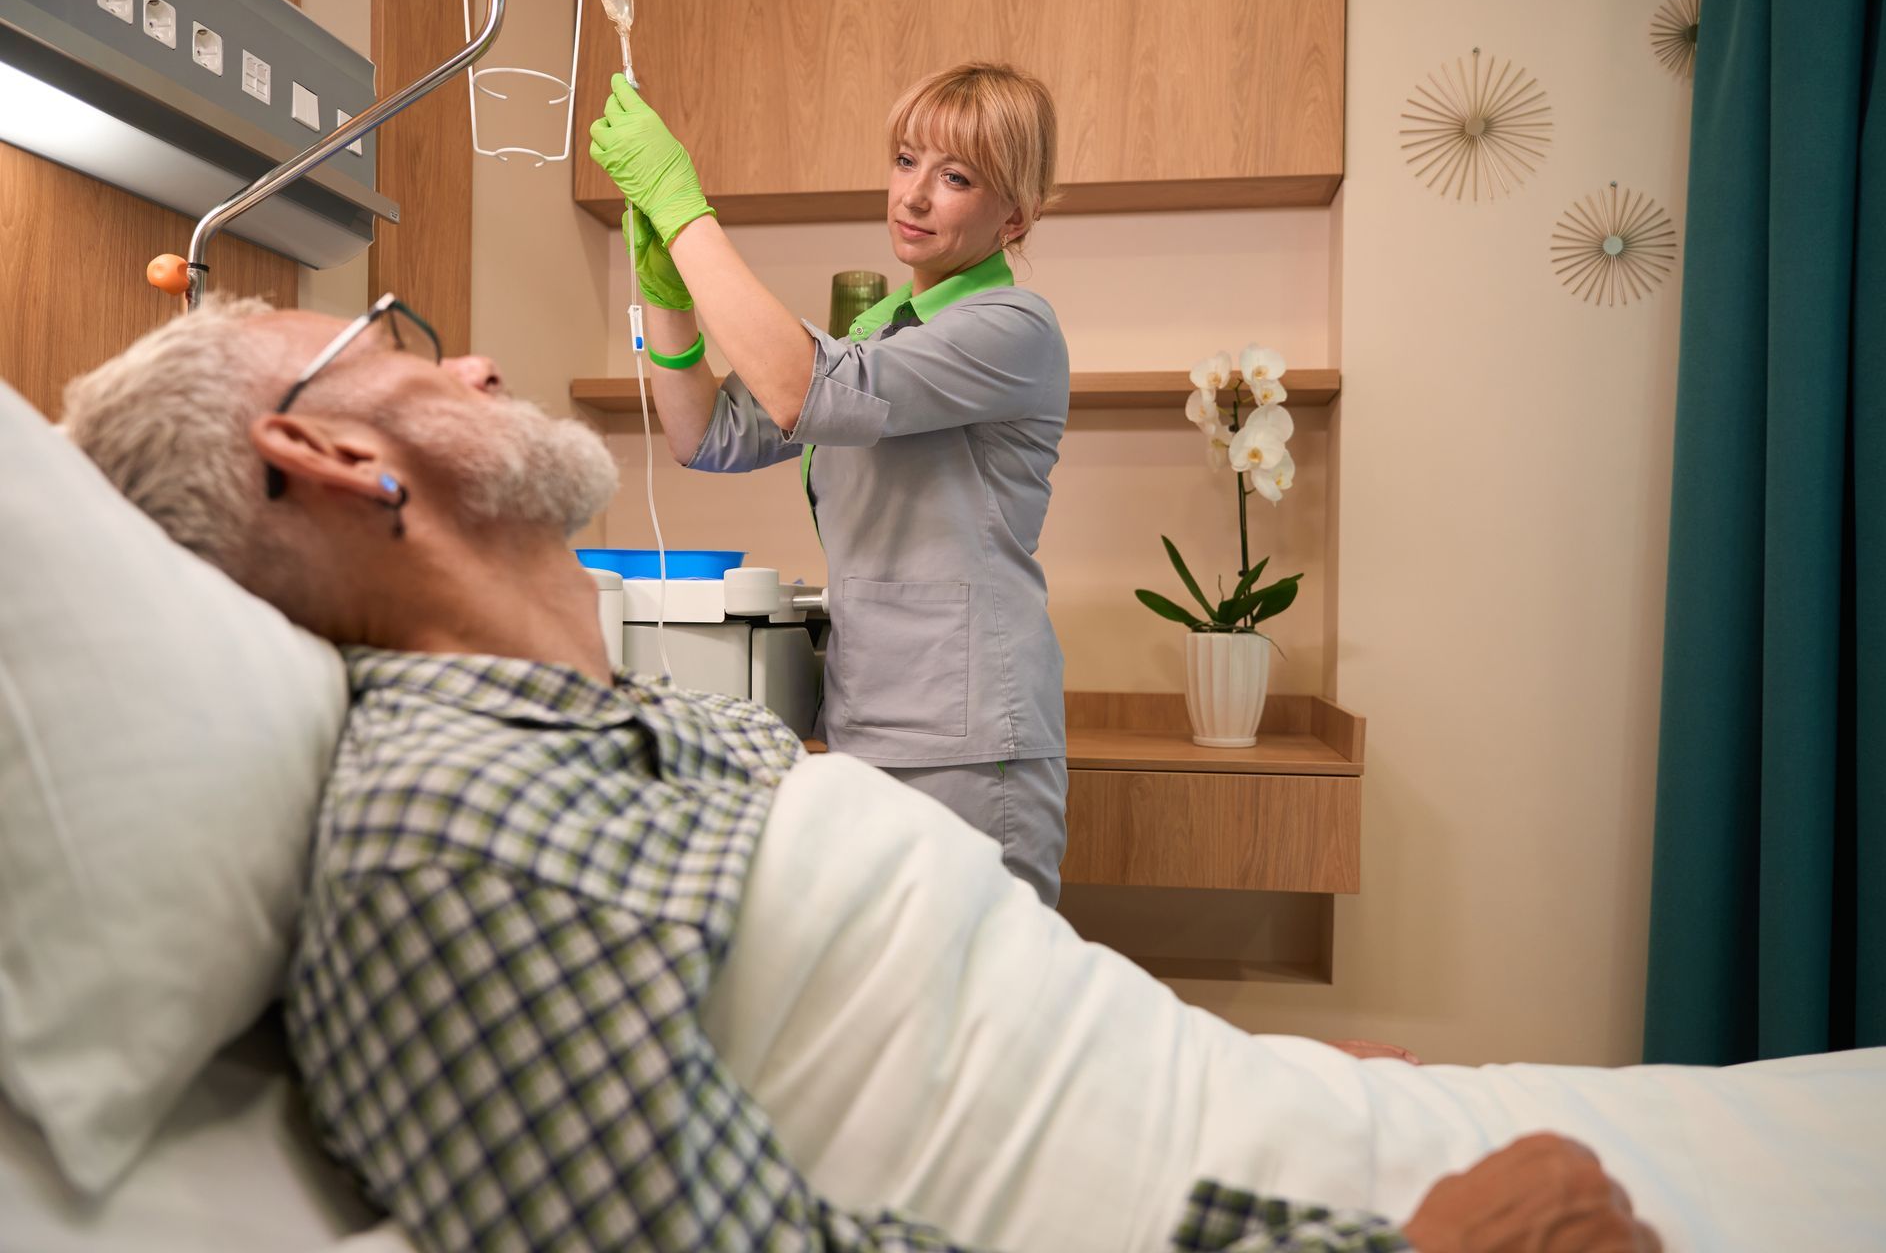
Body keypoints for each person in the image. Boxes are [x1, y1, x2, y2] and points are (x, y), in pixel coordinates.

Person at [57, 298, 1669, 1252]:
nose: (470, 359)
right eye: (388, 340)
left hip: (1286, 1125)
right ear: (330, 458)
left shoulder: (610, 733)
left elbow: (943, 1022)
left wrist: (1263, 1070)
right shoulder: (454, 847)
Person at [588, 62, 1072, 906]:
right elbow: (706, 435)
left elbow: (798, 386)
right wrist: (666, 292)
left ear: (1015, 214)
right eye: (906, 161)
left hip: (963, 742)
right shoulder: (885, 326)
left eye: (955, 177)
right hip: (867, 720)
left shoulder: (1012, 327)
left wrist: (683, 209)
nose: (914, 196)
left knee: (971, 1011)